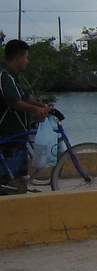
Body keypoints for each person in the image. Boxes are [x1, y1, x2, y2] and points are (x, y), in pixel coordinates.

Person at [1, 40, 54, 184]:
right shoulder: (5, 77)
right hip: (8, 132)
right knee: (10, 177)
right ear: (18, 57)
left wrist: (41, 105)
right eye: (26, 57)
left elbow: (24, 96)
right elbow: (15, 102)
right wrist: (37, 110)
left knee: (17, 174)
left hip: (17, 131)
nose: (27, 61)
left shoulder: (13, 76)